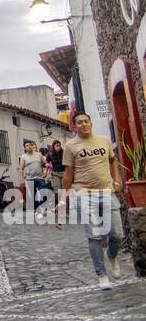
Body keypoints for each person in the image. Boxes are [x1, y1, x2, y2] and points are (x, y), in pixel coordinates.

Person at [56, 113, 123, 289]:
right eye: (79, 122)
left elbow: (112, 161)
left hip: (107, 192)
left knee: (117, 234)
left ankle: (112, 255)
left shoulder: (104, 141)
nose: (84, 124)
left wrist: (117, 181)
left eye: (86, 121)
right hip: (83, 195)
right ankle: (102, 275)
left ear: (90, 123)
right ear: (74, 126)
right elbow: (68, 174)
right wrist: (63, 201)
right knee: (94, 236)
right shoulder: (71, 146)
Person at [18, 140, 46, 216]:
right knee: (33, 195)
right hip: (29, 178)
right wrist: (22, 179)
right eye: (26, 146)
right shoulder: (23, 157)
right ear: (25, 148)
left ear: (32, 146)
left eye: (29, 145)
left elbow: (46, 164)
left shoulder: (39, 155)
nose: (28, 146)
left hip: (40, 178)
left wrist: (45, 172)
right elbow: (21, 169)